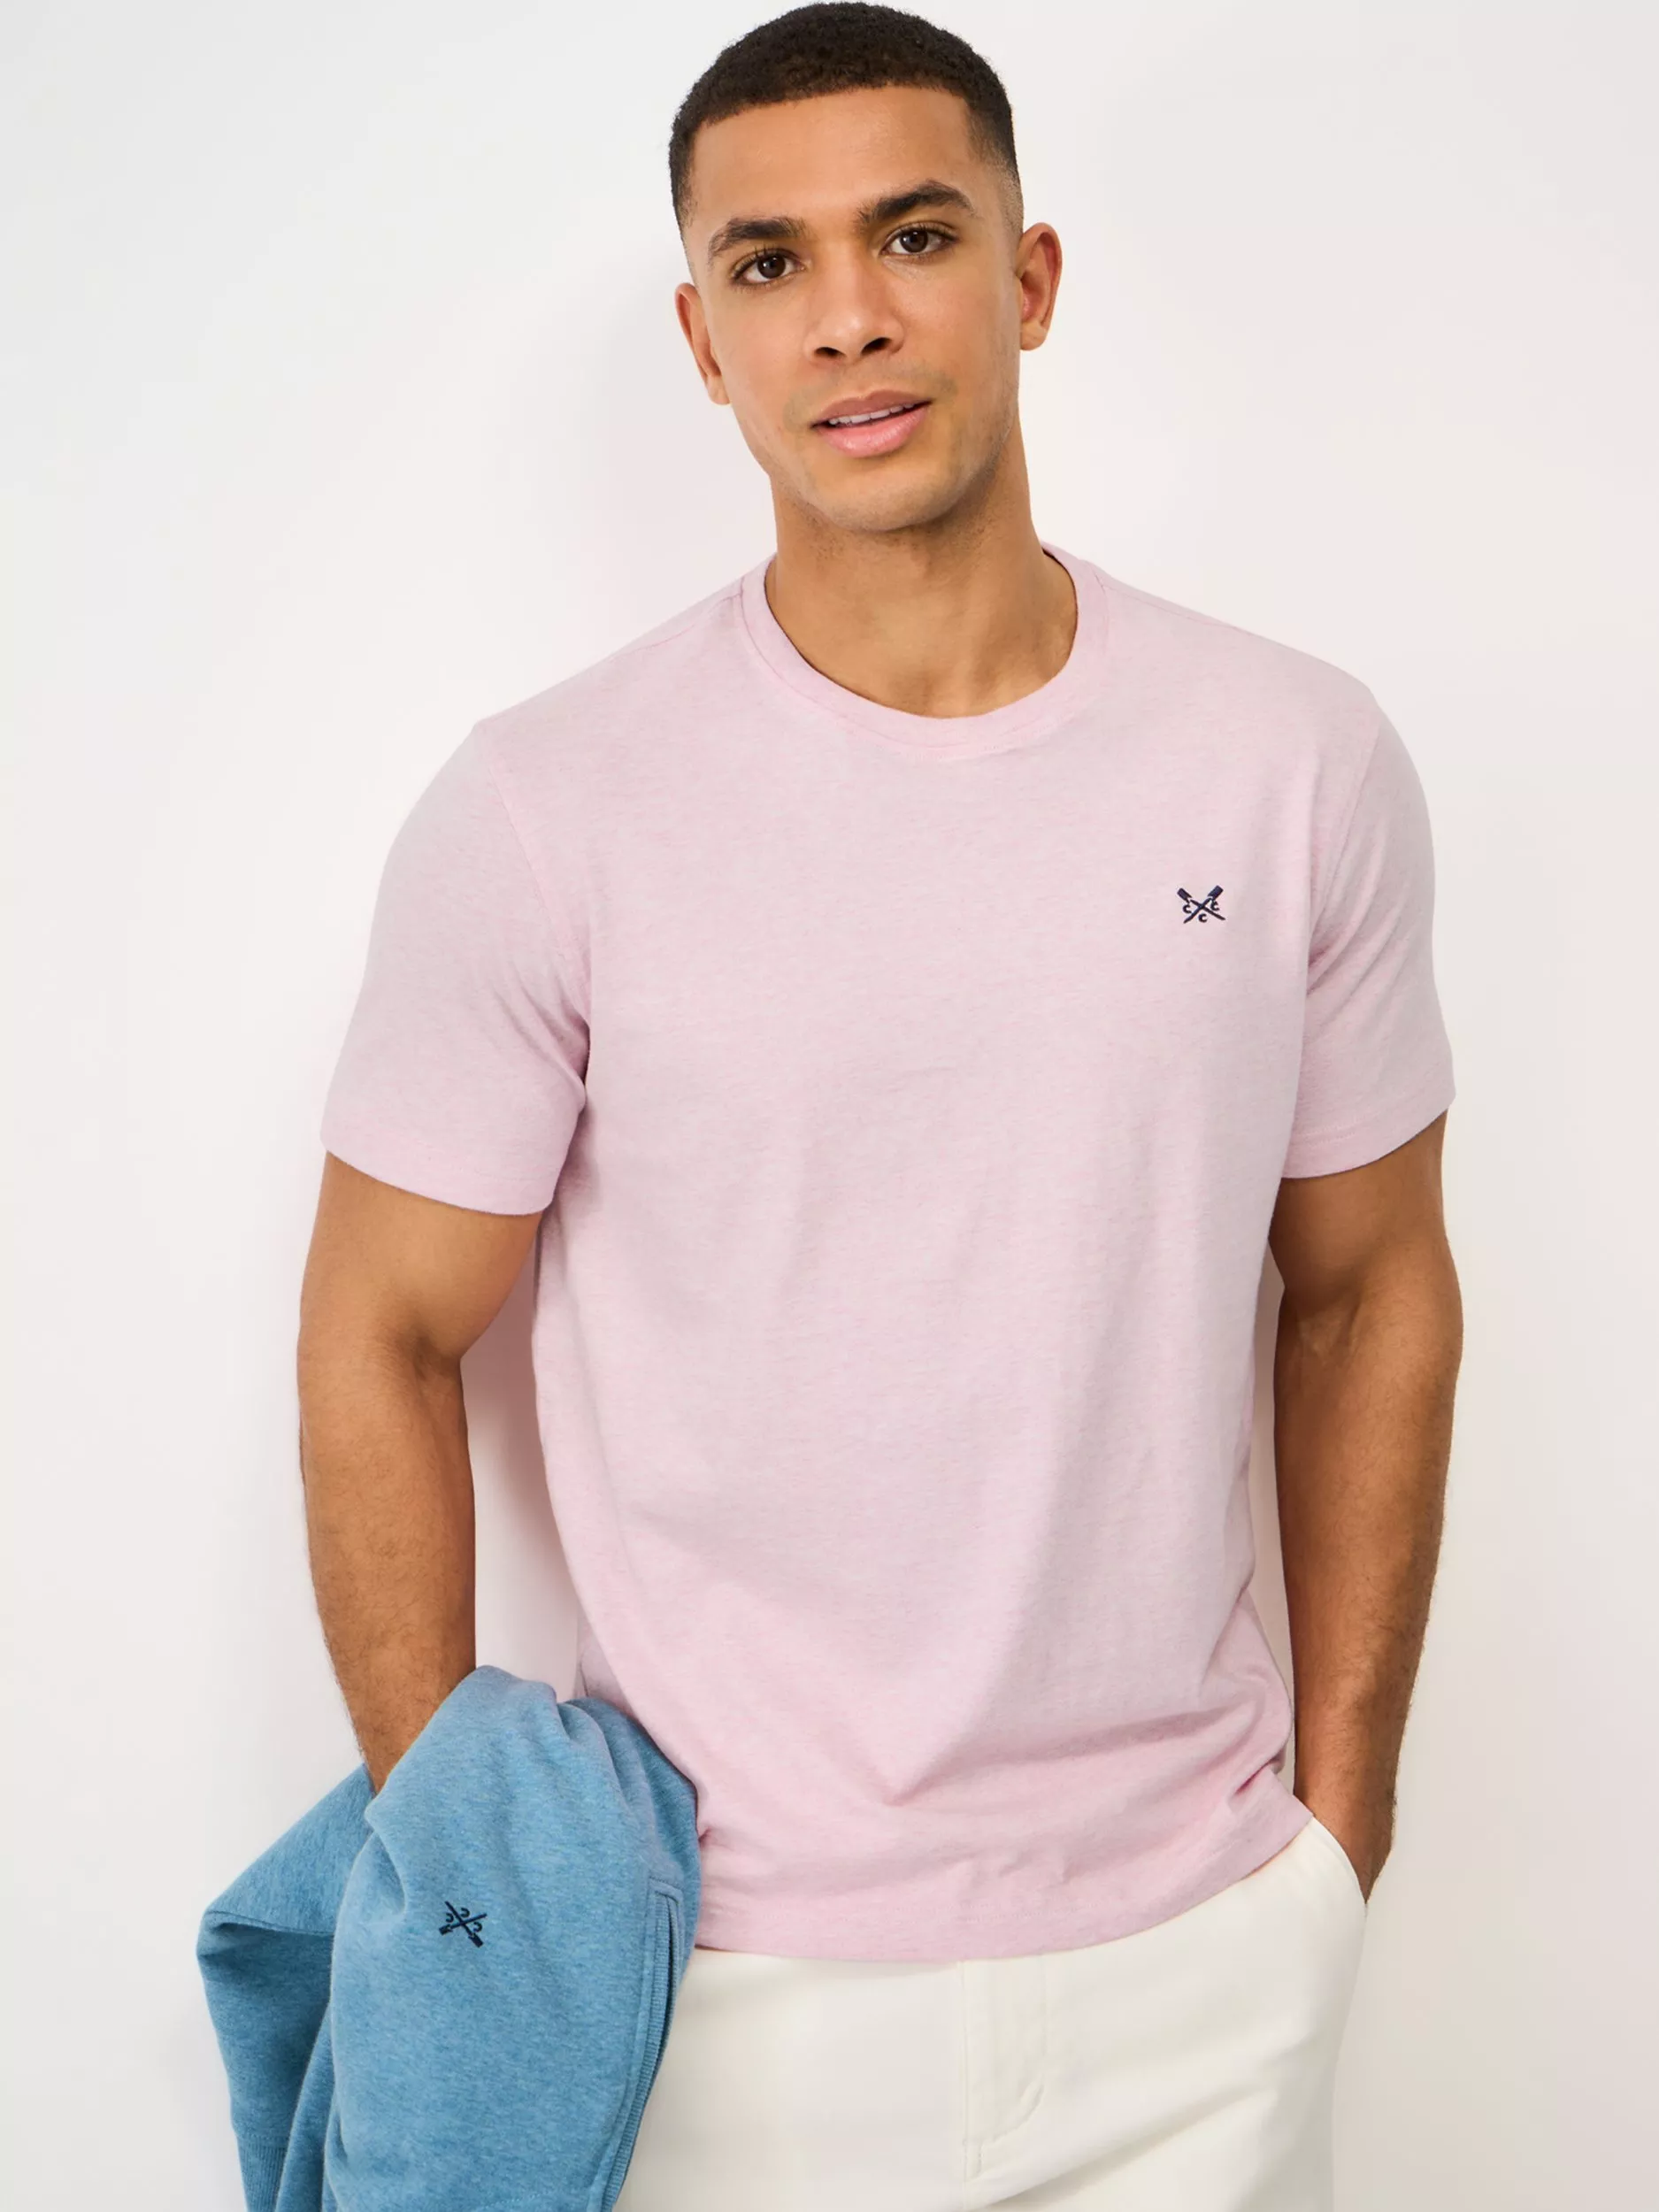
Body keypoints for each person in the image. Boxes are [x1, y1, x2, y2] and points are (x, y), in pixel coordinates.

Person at [296, 4, 1463, 2204]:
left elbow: (1368, 1283)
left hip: (1205, 1956)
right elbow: (380, 1325)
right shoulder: (550, 807)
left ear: (1028, 277)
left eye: (914, 236)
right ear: (703, 337)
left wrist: (1338, 1840)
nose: (847, 315)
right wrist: (470, 1906)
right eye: (769, 262)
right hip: (721, 1981)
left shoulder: (1291, 760)